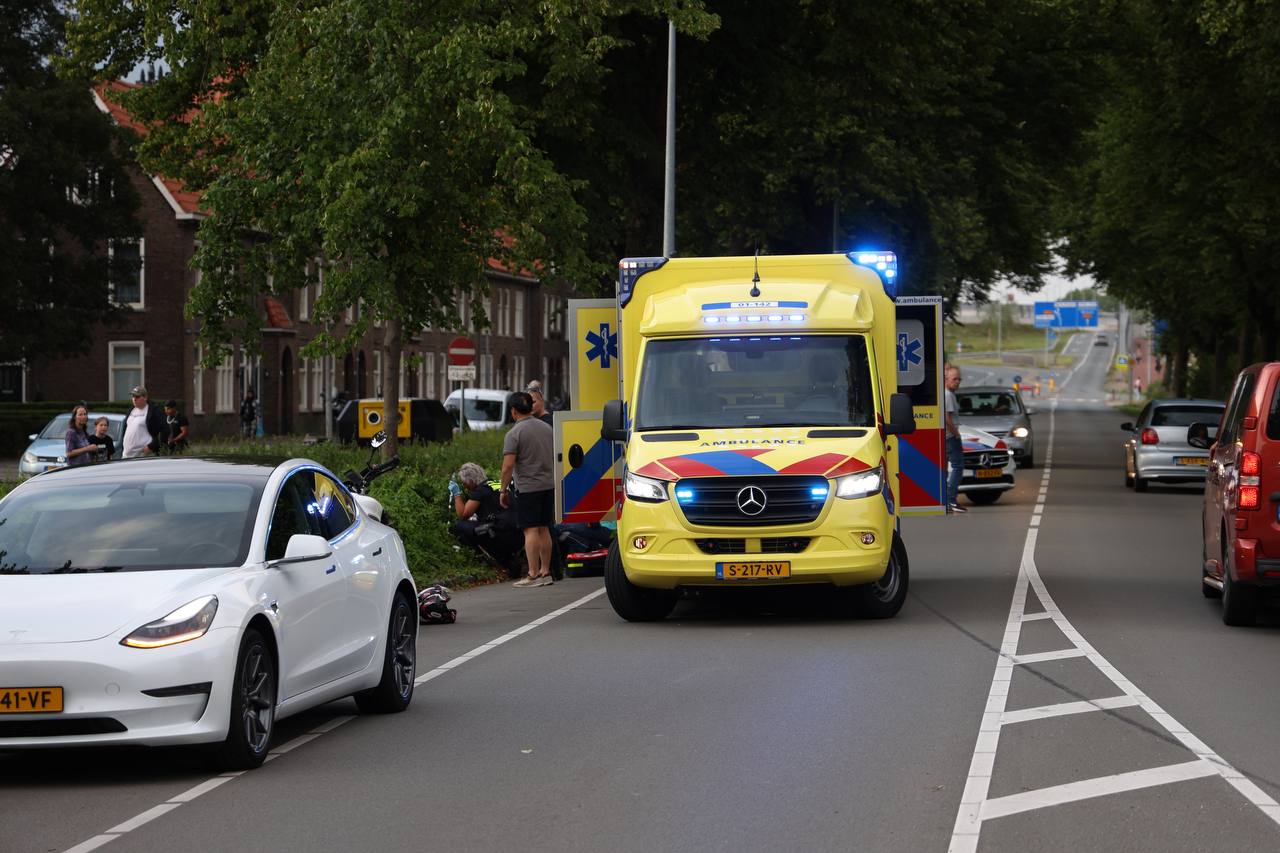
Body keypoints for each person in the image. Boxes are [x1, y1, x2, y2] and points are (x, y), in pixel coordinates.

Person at [500, 391, 555, 587]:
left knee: (530, 529)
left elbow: (508, 466)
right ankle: (546, 571)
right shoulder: (547, 428)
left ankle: (532, 574)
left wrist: (503, 490)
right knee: (544, 528)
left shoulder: (514, 434)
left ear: (514, 412)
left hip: (528, 487)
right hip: (548, 484)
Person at [448, 462, 521, 570]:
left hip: (501, 534)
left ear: (471, 481)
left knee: (459, 526)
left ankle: (490, 557)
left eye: (464, 483)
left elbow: (463, 514)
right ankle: (509, 558)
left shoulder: (481, 491)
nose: (464, 486)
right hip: (520, 532)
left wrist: (457, 495)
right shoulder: (496, 483)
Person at [121, 386, 167, 458]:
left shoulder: (154, 411)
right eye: (133, 396)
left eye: (137, 396)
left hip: (143, 455)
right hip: (126, 455)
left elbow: (165, 430)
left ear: (145, 397)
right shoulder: (131, 410)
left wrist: (151, 447)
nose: (134, 399)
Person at [944, 365, 966, 513]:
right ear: (946, 380)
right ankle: (951, 499)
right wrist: (956, 434)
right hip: (951, 437)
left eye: (959, 379)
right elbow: (947, 418)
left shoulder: (947, 394)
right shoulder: (948, 395)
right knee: (958, 466)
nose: (957, 382)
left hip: (947, 437)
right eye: (954, 379)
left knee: (945, 468)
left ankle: (946, 499)